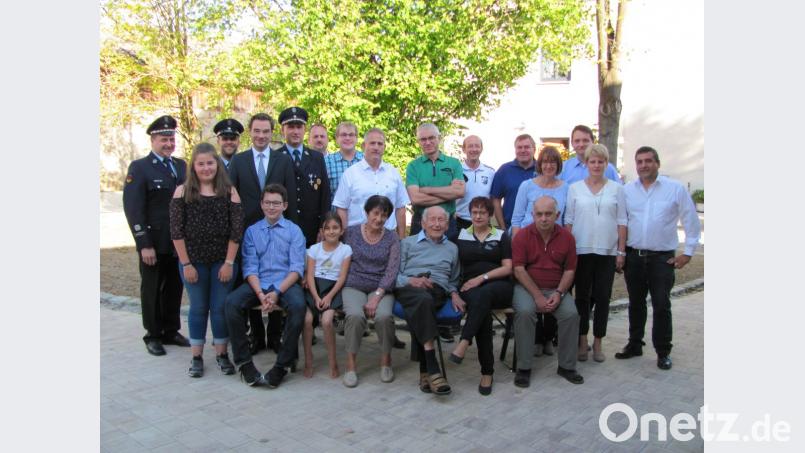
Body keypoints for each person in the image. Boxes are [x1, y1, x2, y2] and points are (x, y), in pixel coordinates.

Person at [616, 146, 701, 370]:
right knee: (636, 304)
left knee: (661, 305)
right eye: (640, 162)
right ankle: (635, 344)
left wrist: (689, 253)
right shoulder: (628, 191)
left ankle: (663, 351)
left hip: (661, 259)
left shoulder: (675, 189)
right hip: (634, 257)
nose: (644, 165)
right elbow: (622, 222)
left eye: (648, 161)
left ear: (657, 163)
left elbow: (691, 220)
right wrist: (621, 253)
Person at [169, 143, 244, 377]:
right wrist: (186, 264)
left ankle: (222, 354)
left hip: (223, 263)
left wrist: (229, 263)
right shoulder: (182, 192)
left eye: (210, 163)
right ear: (193, 166)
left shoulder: (230, 192)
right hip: (194, 264)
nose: (206, 168)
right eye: (200, 164)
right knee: (199, 308)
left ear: (217, 164)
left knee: (220, 308)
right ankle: (197, 356)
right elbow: (176, 232)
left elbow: (236, 231)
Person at [224, 184, 307, 388]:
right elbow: (250, 267)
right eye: (268, 202)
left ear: (284, 205)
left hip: (285, 283)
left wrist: (277, 292)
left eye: (276, 203)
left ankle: (282, 365)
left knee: (298, 306)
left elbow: (296, 268)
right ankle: (244, 363)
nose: (272, 207)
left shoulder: (294, 231)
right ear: (261, 205)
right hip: (258, 283)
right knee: (231, 303)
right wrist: (261, 294)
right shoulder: (252, 232)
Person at [228, 113, 297, 356]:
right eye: (256, 131)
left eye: (266, 131)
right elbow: (231, 200)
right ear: (250, 132)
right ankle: (256, 336)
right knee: (251, 278)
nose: (261, 136)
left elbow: (290, 198)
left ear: (272, 133)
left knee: (277, 276)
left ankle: (275, 336)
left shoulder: (282, 161)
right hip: (248, 232)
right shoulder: (239, 161)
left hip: (279, 229)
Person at [123, 115, 189, 356]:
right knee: (151, 289)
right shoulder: (140, 168)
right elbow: (134, 208)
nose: (169, 143)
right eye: (164, 139)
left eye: (171, 139)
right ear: (153, 140)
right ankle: (152, 334)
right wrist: (144, 244)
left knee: (174, 287)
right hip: (154, 242)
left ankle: (171, 329)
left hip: (177, 242)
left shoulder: (181, 166)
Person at [564, 144, 627, 363]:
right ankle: (582, 341)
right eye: (593, 161)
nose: (597, 165)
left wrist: (621, 251)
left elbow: (622, 221)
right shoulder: (575, 189)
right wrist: (569, 252)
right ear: (587, 164)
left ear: (606, 164)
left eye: (601, 161)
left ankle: (598, 342)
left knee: (602, 298)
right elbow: (569, 222)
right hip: (581, 251)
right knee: (581, 298)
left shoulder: (617, 189)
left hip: (607, 252)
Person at [511, 196, 583, 386]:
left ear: (557, 215)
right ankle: (524, 367)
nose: (544, 218)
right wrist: (537, 296)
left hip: (556, 288)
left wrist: (559, 293)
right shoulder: (522, 236)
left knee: (571, 315)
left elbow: (570, 270)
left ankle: (567, 366)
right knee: (525, 312)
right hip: (527, 288)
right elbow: (519, 270)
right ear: (533, 215)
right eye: (539, 214)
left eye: (548, 214)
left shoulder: (567, 237)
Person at [448, 197, 513, 395]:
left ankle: (464, 341)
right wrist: (454, 291)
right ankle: (487, 372)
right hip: (469, 289)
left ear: (490, 215)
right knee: (481, 304)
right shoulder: (460, 236)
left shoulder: (501, 236)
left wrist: (482, 278)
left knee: (482, 296)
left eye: (482, 212)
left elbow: (508, 268)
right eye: (474, 212)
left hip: (500, 286)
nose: (477, 216)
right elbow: (449, 263)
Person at [395, 206, 462, 396]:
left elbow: (453, 279)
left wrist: (454, 293)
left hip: (436, 288)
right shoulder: (407, 243)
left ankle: (426, 370)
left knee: (424, 301)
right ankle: (432, 367)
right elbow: (393, 275)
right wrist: (411, 280)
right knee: (422, 300)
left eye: (441, 220)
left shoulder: (452, 248)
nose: (437, 224)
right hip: (409, 287)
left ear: (448, 225)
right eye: (432, 219)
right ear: (423, 223)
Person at [340, 195, 401, 387]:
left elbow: (392, 271)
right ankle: (350, 365)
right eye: (375, 213)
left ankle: (386, 361)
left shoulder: (392, 238)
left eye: (384, 215)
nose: (379, 218)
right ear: (367, 213)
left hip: (381, 287)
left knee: (383, 317)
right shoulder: (350, 233)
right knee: (356, 317)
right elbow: (331, 246)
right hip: (354, 284)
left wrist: (377, 296)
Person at [333, 128, 409, 238]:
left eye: (380, 144)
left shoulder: (393, 173)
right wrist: (345, 238)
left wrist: (401, 239)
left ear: (384, 147)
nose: (376, 147)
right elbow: (342, 208)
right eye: (372, 143)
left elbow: (400, 207)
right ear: (363, 146)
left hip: (388, 237)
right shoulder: (350, 174)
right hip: (357, 238)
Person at [302, 213, 352, 379]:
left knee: (326, 321)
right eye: (327, 228)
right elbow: (309, 275)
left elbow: (342, 277)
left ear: (341, 230)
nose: (331, 231)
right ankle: (309, 360)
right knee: (307, 320)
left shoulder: (345, 249)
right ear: (322, 231)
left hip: (333, 288)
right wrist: (316, 297)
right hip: (315, 287)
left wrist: (329, 296)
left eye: (335, 228)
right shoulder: (313, 249)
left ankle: (333, 362)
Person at [276, 106, 331, 247]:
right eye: (291, 127)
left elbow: (324, 195)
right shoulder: (275, 157)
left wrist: (323, 227)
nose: (295, 131)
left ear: (304, 130)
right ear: (283, 130)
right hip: (283, 229)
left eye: (299, 127)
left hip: (312, 230)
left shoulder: (317, 158)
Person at [405, 123, 465, 238]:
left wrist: (427, 190)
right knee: (419, 256)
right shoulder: (413, 166)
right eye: (423, 139)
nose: (427, 142)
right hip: (420, 223)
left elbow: (460, 192)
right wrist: (449, 194)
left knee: (448, 255)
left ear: (439, 138)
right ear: (419, 142)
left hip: (447, 223)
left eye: (431, 138)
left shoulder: (454, 163)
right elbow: (415, 199)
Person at [510, 145, 569, 236]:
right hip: (528, 238)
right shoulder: (526, 186)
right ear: (540, 164)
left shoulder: (565, 188)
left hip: (554, 239)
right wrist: (516, 243)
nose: (548, 166)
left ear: (558, 164)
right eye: (545, 162)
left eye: (553, 162)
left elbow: (566, 219)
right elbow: (517, 219)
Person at [489, 134, 538, 231]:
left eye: (527, 147)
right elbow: (496, 200)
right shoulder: (504, 170)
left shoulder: (542, 170)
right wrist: (503, 227)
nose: (523, 150)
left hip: (538, 228)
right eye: (519, 147)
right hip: (510, 227)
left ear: (534, 149)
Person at [454, 135, 496, 231]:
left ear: (481, 149)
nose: (474, 149)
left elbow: (493, 198)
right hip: (460, 222)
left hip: (483, 223)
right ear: (464, 149)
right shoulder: (456, 171)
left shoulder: (490, 172)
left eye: (477, 146)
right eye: (470, 146)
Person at [324, 122, 364, 204]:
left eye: (351, 135)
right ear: (337, 138)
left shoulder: (366, 160)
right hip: (336, 215)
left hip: (363, 215)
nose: (347, 138)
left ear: (356, 138)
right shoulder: (326, 162)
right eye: (343, 135)